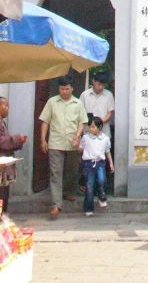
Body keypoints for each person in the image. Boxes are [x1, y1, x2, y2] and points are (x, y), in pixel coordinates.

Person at [39, 75, 88, 217]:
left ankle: (68, 192)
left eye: (67, 89)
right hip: (55, 142)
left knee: (72, 170)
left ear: (72, 88)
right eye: (62, 89)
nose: (64, 91)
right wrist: (43, 139)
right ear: (58, 89)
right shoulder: (52, 102)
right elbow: (45, 121)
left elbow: (82, 122)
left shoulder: (78, 103)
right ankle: (56, 204)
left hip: (73, 143)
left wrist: (78, 136)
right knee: (55, 172)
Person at [78, 117, 113, 216]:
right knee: (89, 186)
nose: (91, 129)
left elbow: (107, 151)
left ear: (100, 127)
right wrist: (76, 145)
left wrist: (111, 163)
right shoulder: (85, 138)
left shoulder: (105, 139)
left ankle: (101, 197)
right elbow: (81, 149)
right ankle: (88, 208)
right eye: (90, 127)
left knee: (102, 180)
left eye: (93, 127)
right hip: (88, 163)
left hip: (100, 163)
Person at [0, 97, 26, 212]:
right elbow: (1, 141)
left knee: (4, 194)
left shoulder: (2, 122)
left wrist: (18, 141)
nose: (7, 108)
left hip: (4, 165)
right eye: (5, 105)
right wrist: (16, 139)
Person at [80, 72, 115, 138]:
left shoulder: (109, 95)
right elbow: (81, 112)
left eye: (103, 85)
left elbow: (109, 112)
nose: (101, 87)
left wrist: (100, 122)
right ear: (93, 81)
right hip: (88, 131)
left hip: (104, 132)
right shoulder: (85, 95)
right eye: (99, 84)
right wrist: (90, 122)